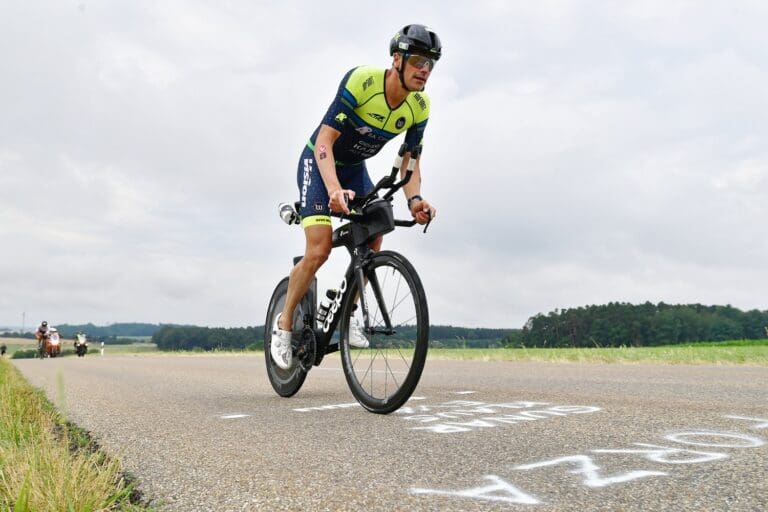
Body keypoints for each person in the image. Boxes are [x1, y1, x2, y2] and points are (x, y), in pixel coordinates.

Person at [271, 24, 442, 370]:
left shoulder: (419, 107)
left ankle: (346, 315)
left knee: (377, 229)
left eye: (431, 64)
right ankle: (283, 324)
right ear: (397, 59)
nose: (425, 70)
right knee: (318, 250)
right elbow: (324, 141)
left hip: (355, 170)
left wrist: (415, 200)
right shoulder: (362, 83)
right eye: (419, 61)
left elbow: (411, 163)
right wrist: (333, 189)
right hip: (321, 162)